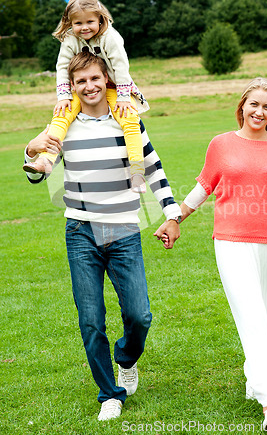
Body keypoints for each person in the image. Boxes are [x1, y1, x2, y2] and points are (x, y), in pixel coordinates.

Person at [155, 77, 267, 430]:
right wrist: (175, 219)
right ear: (242, 106)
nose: (259, 112)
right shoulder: (220, 144)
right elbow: (203, 187)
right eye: (254, 104)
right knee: (252, 317)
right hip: (231, 243)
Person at [24, 52, 181, 421]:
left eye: (95, 79)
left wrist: (172, 213)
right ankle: (110, 393)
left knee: (139, 315)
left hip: (124, 229)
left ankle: (126, 358)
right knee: (91, 319)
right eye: (81, 82)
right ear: (71, 86)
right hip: (80, 231)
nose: (89, 87)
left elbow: (155, 170)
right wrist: (32, 150)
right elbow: (38, 173)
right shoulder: (63, 124)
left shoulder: (127, 120)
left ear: (107, 79)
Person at [23, 0, 148, 193]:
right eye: (77, 23)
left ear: (100, 18)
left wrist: (124, 98)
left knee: (129, 120)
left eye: (89, 21)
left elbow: (121, 66)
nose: (84, 27)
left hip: (115, 87)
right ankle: (45, 161)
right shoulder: (70, 40)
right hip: (82, 89)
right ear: (69, 22)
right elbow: (62, 67)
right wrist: (63, 97)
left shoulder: (110, 37)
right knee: (61, 115)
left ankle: (137, 172)